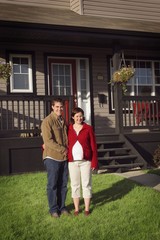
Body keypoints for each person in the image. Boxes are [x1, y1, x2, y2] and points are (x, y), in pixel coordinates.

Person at [41, 98, 69, 218]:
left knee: (63, 184)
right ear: (52, 107)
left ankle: (62, 207)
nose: (59, 109)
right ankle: (53, 210)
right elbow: (48, 141)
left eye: (61, 107)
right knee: (52, 184)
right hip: (52, 157)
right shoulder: (47, 121)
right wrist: (63, 149)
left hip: (64, 158)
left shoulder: (62, 121)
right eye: (57, 107)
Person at [67, 107, 98, 216]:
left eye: (81, 116)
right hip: (72, 162)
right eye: (77, 116)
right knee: (74, 185)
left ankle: (86, 209)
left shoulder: (88, 128)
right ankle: (76, 209)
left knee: (86, 184)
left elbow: (93, 146)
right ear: (73, 117)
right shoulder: (68, 128)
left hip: (86, 162)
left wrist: (94, 162)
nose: (79, 118)